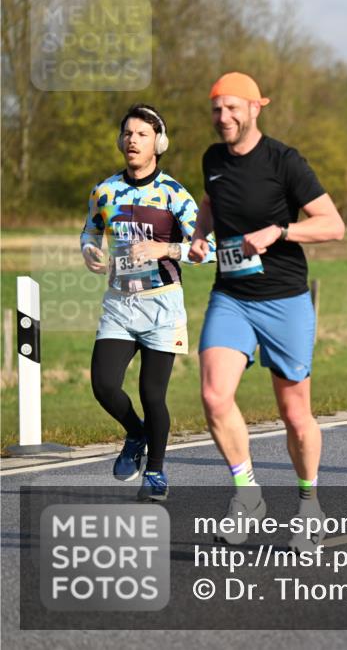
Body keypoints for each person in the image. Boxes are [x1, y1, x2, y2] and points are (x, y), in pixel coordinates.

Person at [188, 72, 345, 551]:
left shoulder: (285, 161)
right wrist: (201, 235)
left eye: (233, 108)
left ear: (256, 107)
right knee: (215, 396)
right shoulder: (212, 159)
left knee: (295, 414)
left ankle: (309, 505)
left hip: (284, 300)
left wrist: (279, 232)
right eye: (217, 109)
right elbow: (212, 203)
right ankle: (247, 494)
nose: (224, 117)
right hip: (231, 296)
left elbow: (333, 226)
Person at [81, 103, 214, 501]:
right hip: (119, 306)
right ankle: (136, 433)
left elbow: (206, 251)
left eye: (141, 133)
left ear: (159, 141)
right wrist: (89, 250)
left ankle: (155, 472)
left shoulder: (176, 196)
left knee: (152, 395)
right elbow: (89, 232)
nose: (132, 140)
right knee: (104, 385)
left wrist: (164, 248)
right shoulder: (104, 191)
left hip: (162, 307)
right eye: (127, 133)